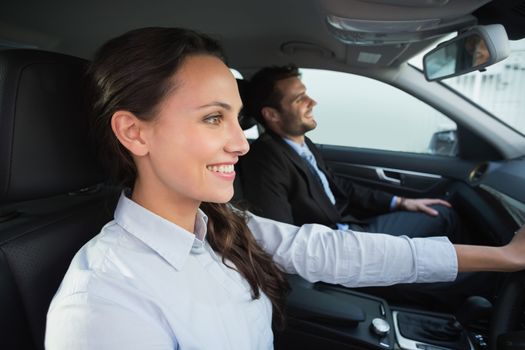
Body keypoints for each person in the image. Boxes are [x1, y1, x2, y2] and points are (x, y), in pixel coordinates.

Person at [45, 27, 525, 350]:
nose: (241, 144)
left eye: (237, 119)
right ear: (134, 133)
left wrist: (502, 257)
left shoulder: (224, 226)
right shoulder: (100, 306)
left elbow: (339, 251)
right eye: (213, 118)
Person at [241, 64, 462, 241]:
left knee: (440, 221)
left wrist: (401, 201)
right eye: (300, 99)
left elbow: (336, 185)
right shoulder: (265, 159)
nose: (313, 102)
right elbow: (281, 236)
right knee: (444, 219)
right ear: (272, 115)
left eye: (306, 94)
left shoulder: (301, 142)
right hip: (337, 243)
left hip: (350, 228)